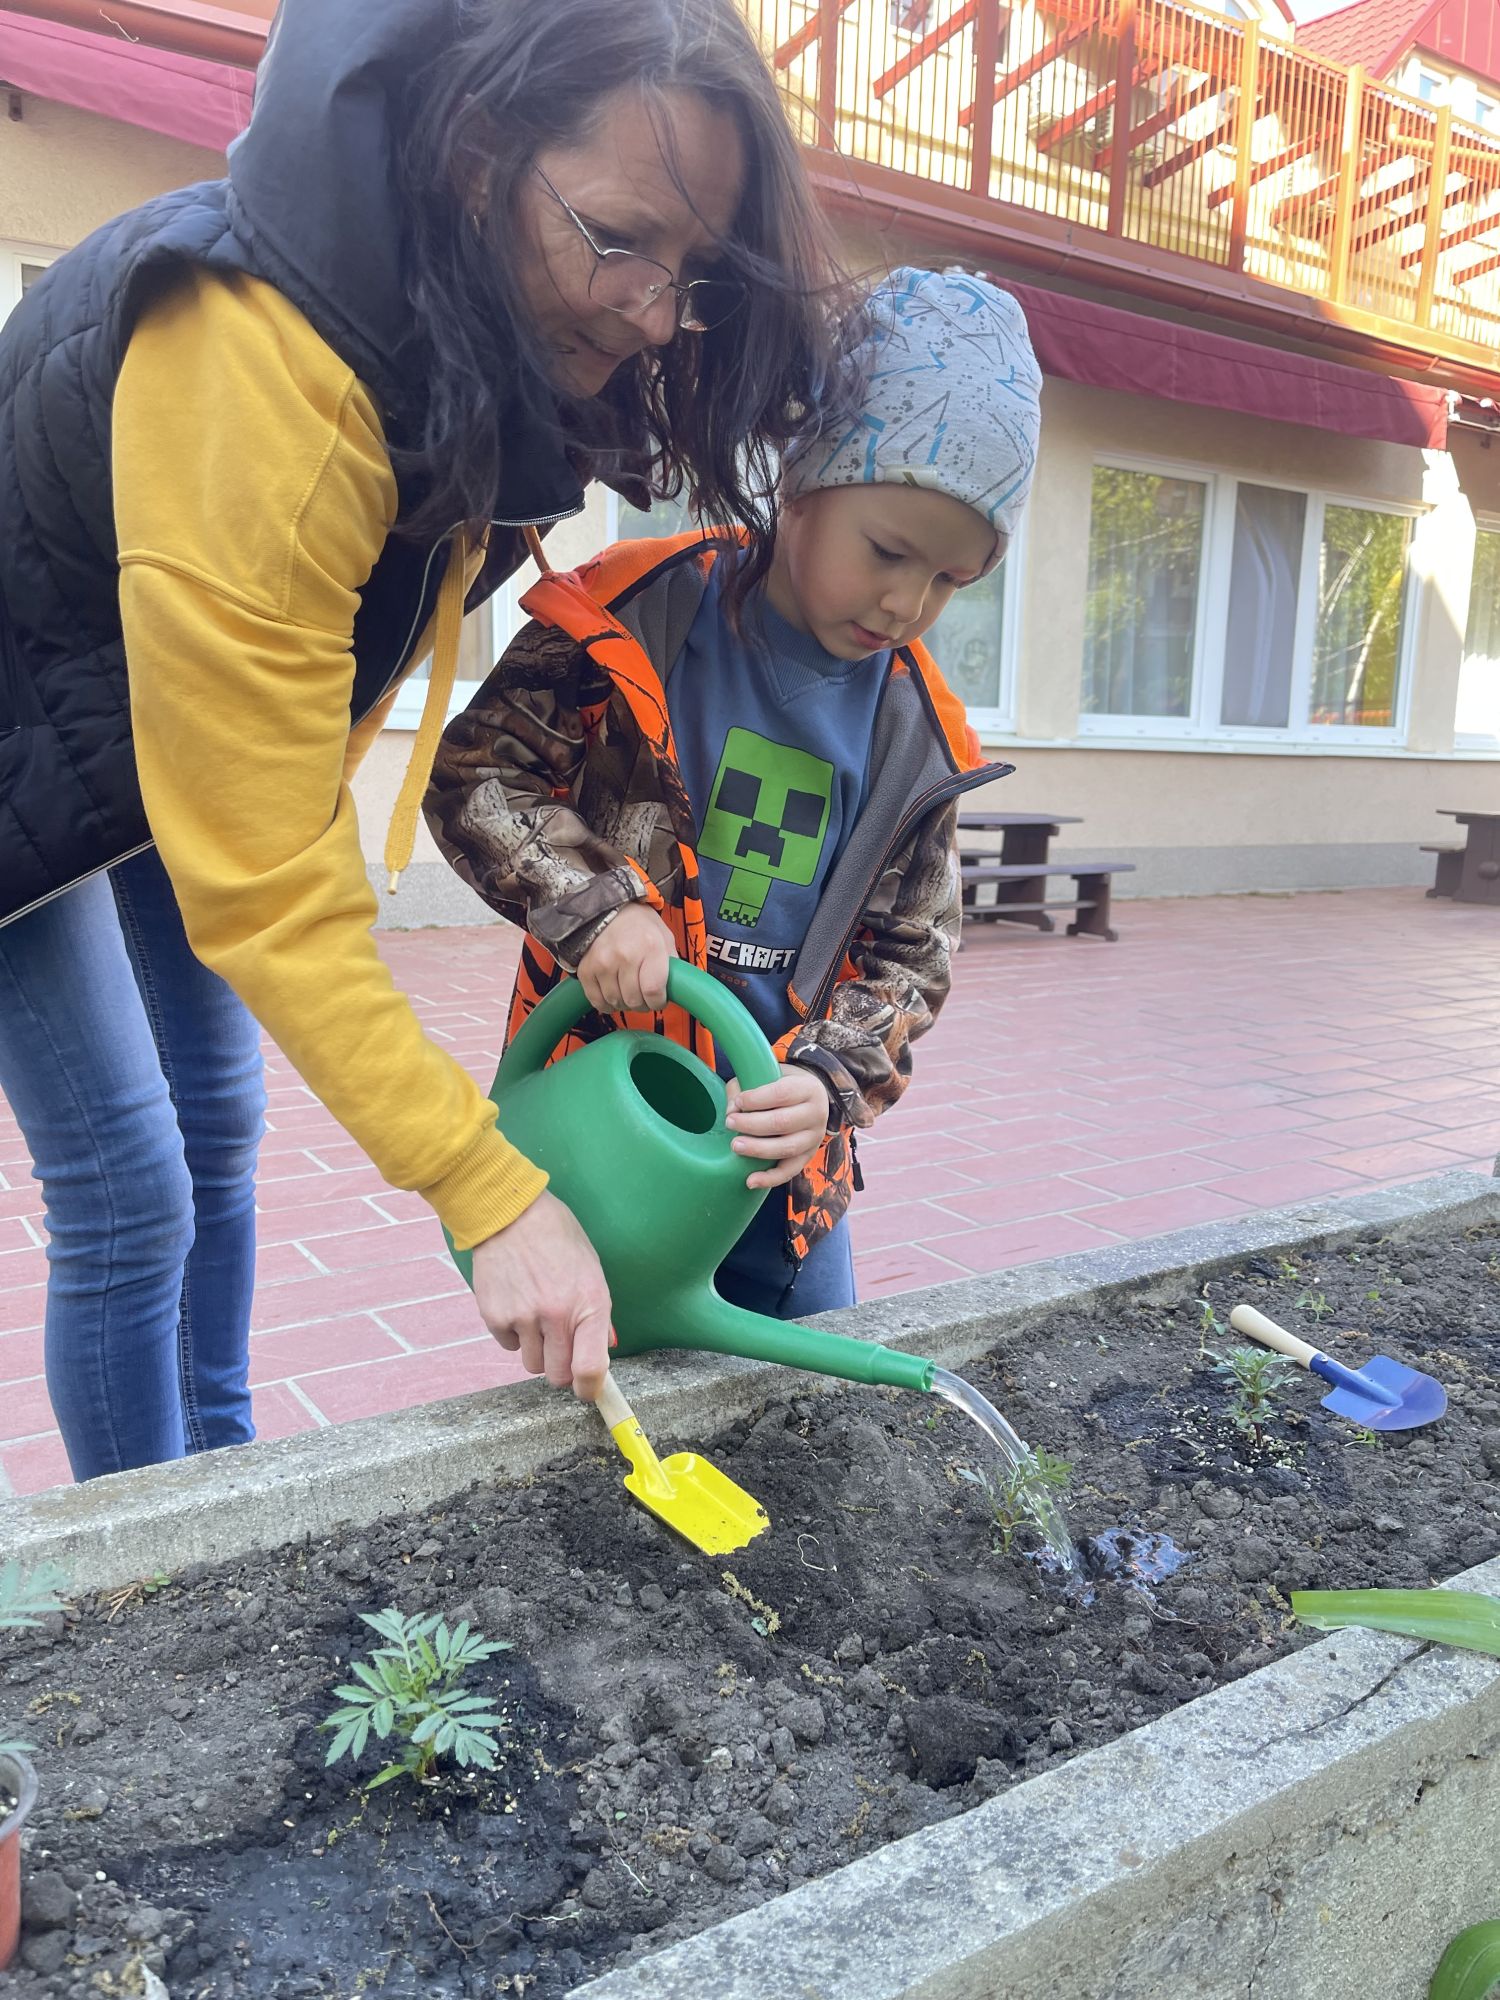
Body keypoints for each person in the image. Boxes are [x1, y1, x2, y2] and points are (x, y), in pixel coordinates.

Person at [0, 0, 850, 1479]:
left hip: (139, 717)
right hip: (24, 746)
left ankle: (224, 1474)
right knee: (130, 1186)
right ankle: (152, 1553)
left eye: (693, 270)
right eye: (619, 239)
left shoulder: (463, 340)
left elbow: (290, 698)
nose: (656, 313)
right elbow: (267, 877)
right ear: (476, 155)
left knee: (216, 1119)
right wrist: (490, 1189)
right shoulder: (260, 363)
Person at [425, 266, 1043, 1318]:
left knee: (807, 1375)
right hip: (610, 1109)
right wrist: (597, 905)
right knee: (600, 1371)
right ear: (802, 479)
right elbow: (477, 775)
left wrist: (830, 1082)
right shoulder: (635, 615)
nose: (906, 602)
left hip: (780, 1171)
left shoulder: (917, 738)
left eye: (950, 580)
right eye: (888, 551)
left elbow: (915, 951)